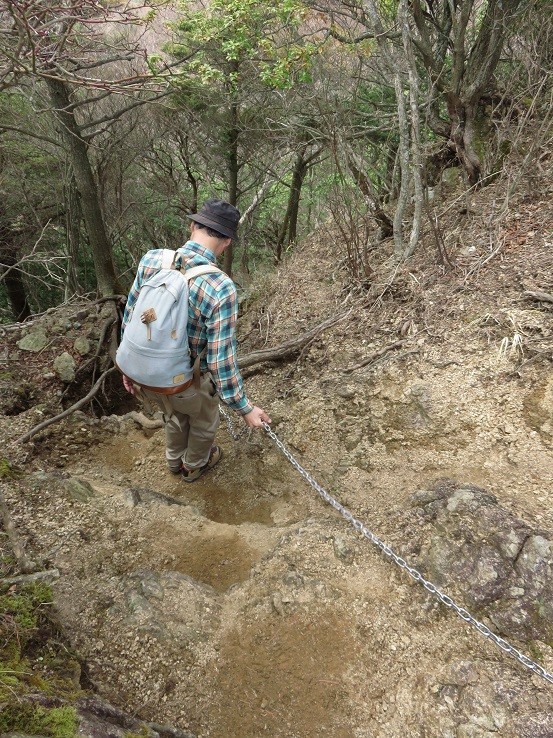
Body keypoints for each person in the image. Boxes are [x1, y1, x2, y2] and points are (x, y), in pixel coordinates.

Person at [121, 198, 271, 482]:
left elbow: (131, 316)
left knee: (171, 415)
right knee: (203, 423)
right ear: (227, 241)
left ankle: (173, 461)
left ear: (192, 225)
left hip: (147, 374)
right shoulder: (220, 287)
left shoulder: (151, 259)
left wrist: (127, 366)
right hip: (187, 380)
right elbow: (220, 360)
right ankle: (194, 466)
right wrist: (245, 408)